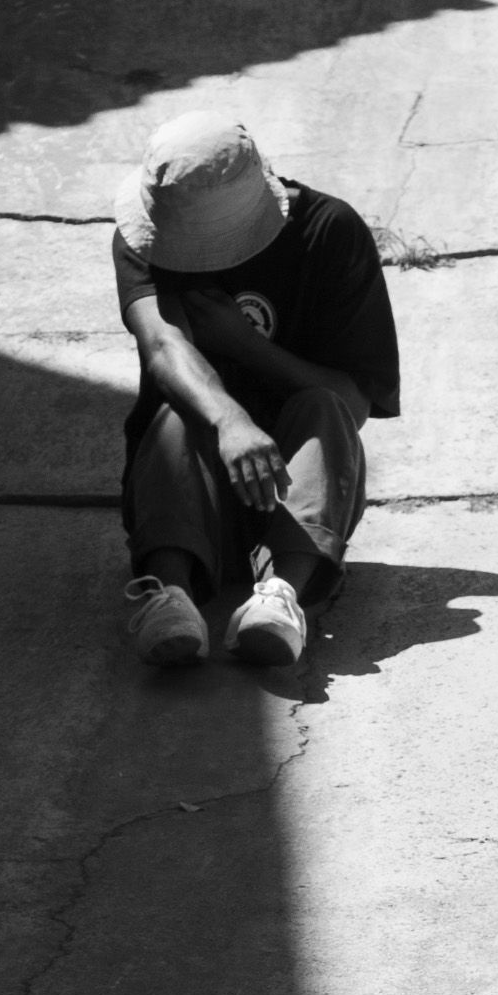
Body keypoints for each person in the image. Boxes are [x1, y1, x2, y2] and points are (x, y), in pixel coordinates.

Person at [112, 111, 401, 668]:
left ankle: (280, 597)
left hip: (299, 494)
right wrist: (229, 421)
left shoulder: (330, 232)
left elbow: (355, 405)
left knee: (324, 406)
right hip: (189, 494)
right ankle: (169, 596)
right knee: (178, 413)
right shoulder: (144, 232)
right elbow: (163, 344)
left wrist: (246, 346)